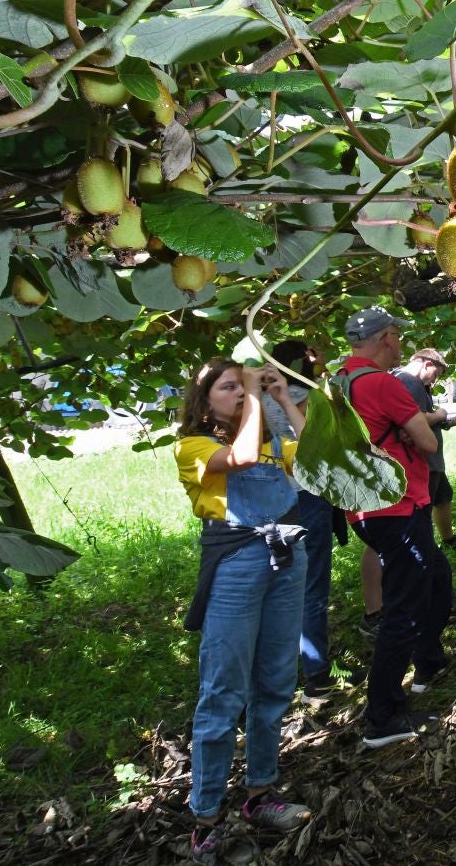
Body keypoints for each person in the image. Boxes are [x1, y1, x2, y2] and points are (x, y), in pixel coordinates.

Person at [175, 359, 312, 863]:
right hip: (236, 564)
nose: (239, 392)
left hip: (287, 557)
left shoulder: (272, 440)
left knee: (275, 681)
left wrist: (282, 401)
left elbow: (320, 458)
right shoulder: (193, 446)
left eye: (241, 385)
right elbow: (241, 456)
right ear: (204, 399)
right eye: (228, 387)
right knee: (223, 691)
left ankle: (260, 795)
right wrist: (256, 392)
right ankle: (205, 817)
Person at [339, 306, 451, 747]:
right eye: (397, 337)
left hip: (365, 505)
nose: (401, 344)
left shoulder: (340, 381)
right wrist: (412, 432)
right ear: (385, 336)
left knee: (436, 578)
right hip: (397, 506)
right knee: (402, 608)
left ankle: (430, 660)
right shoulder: (381, 384)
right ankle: (382, 716)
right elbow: (426, 440)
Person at [260, 340, 358, 701]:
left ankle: (282, 674)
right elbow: (322, 442)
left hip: (273, 496)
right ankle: (317, 673)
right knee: (311, 585)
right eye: (315, 354)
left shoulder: (259, 398)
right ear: (301, 360)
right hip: (305, 493)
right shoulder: (300, 394)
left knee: (283, 584)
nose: (322, 359)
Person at [392, 347, 456, 546]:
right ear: (427, 364)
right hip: (424, 459)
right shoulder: (411, 381)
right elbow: (417, 419)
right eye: (435, 374)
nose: (433, 380)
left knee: (443, 495)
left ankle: (448, 539)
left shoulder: (403, 379)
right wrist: (441, 415)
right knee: (424, 506)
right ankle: (424, 546)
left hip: (430, 459)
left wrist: (445, 422)